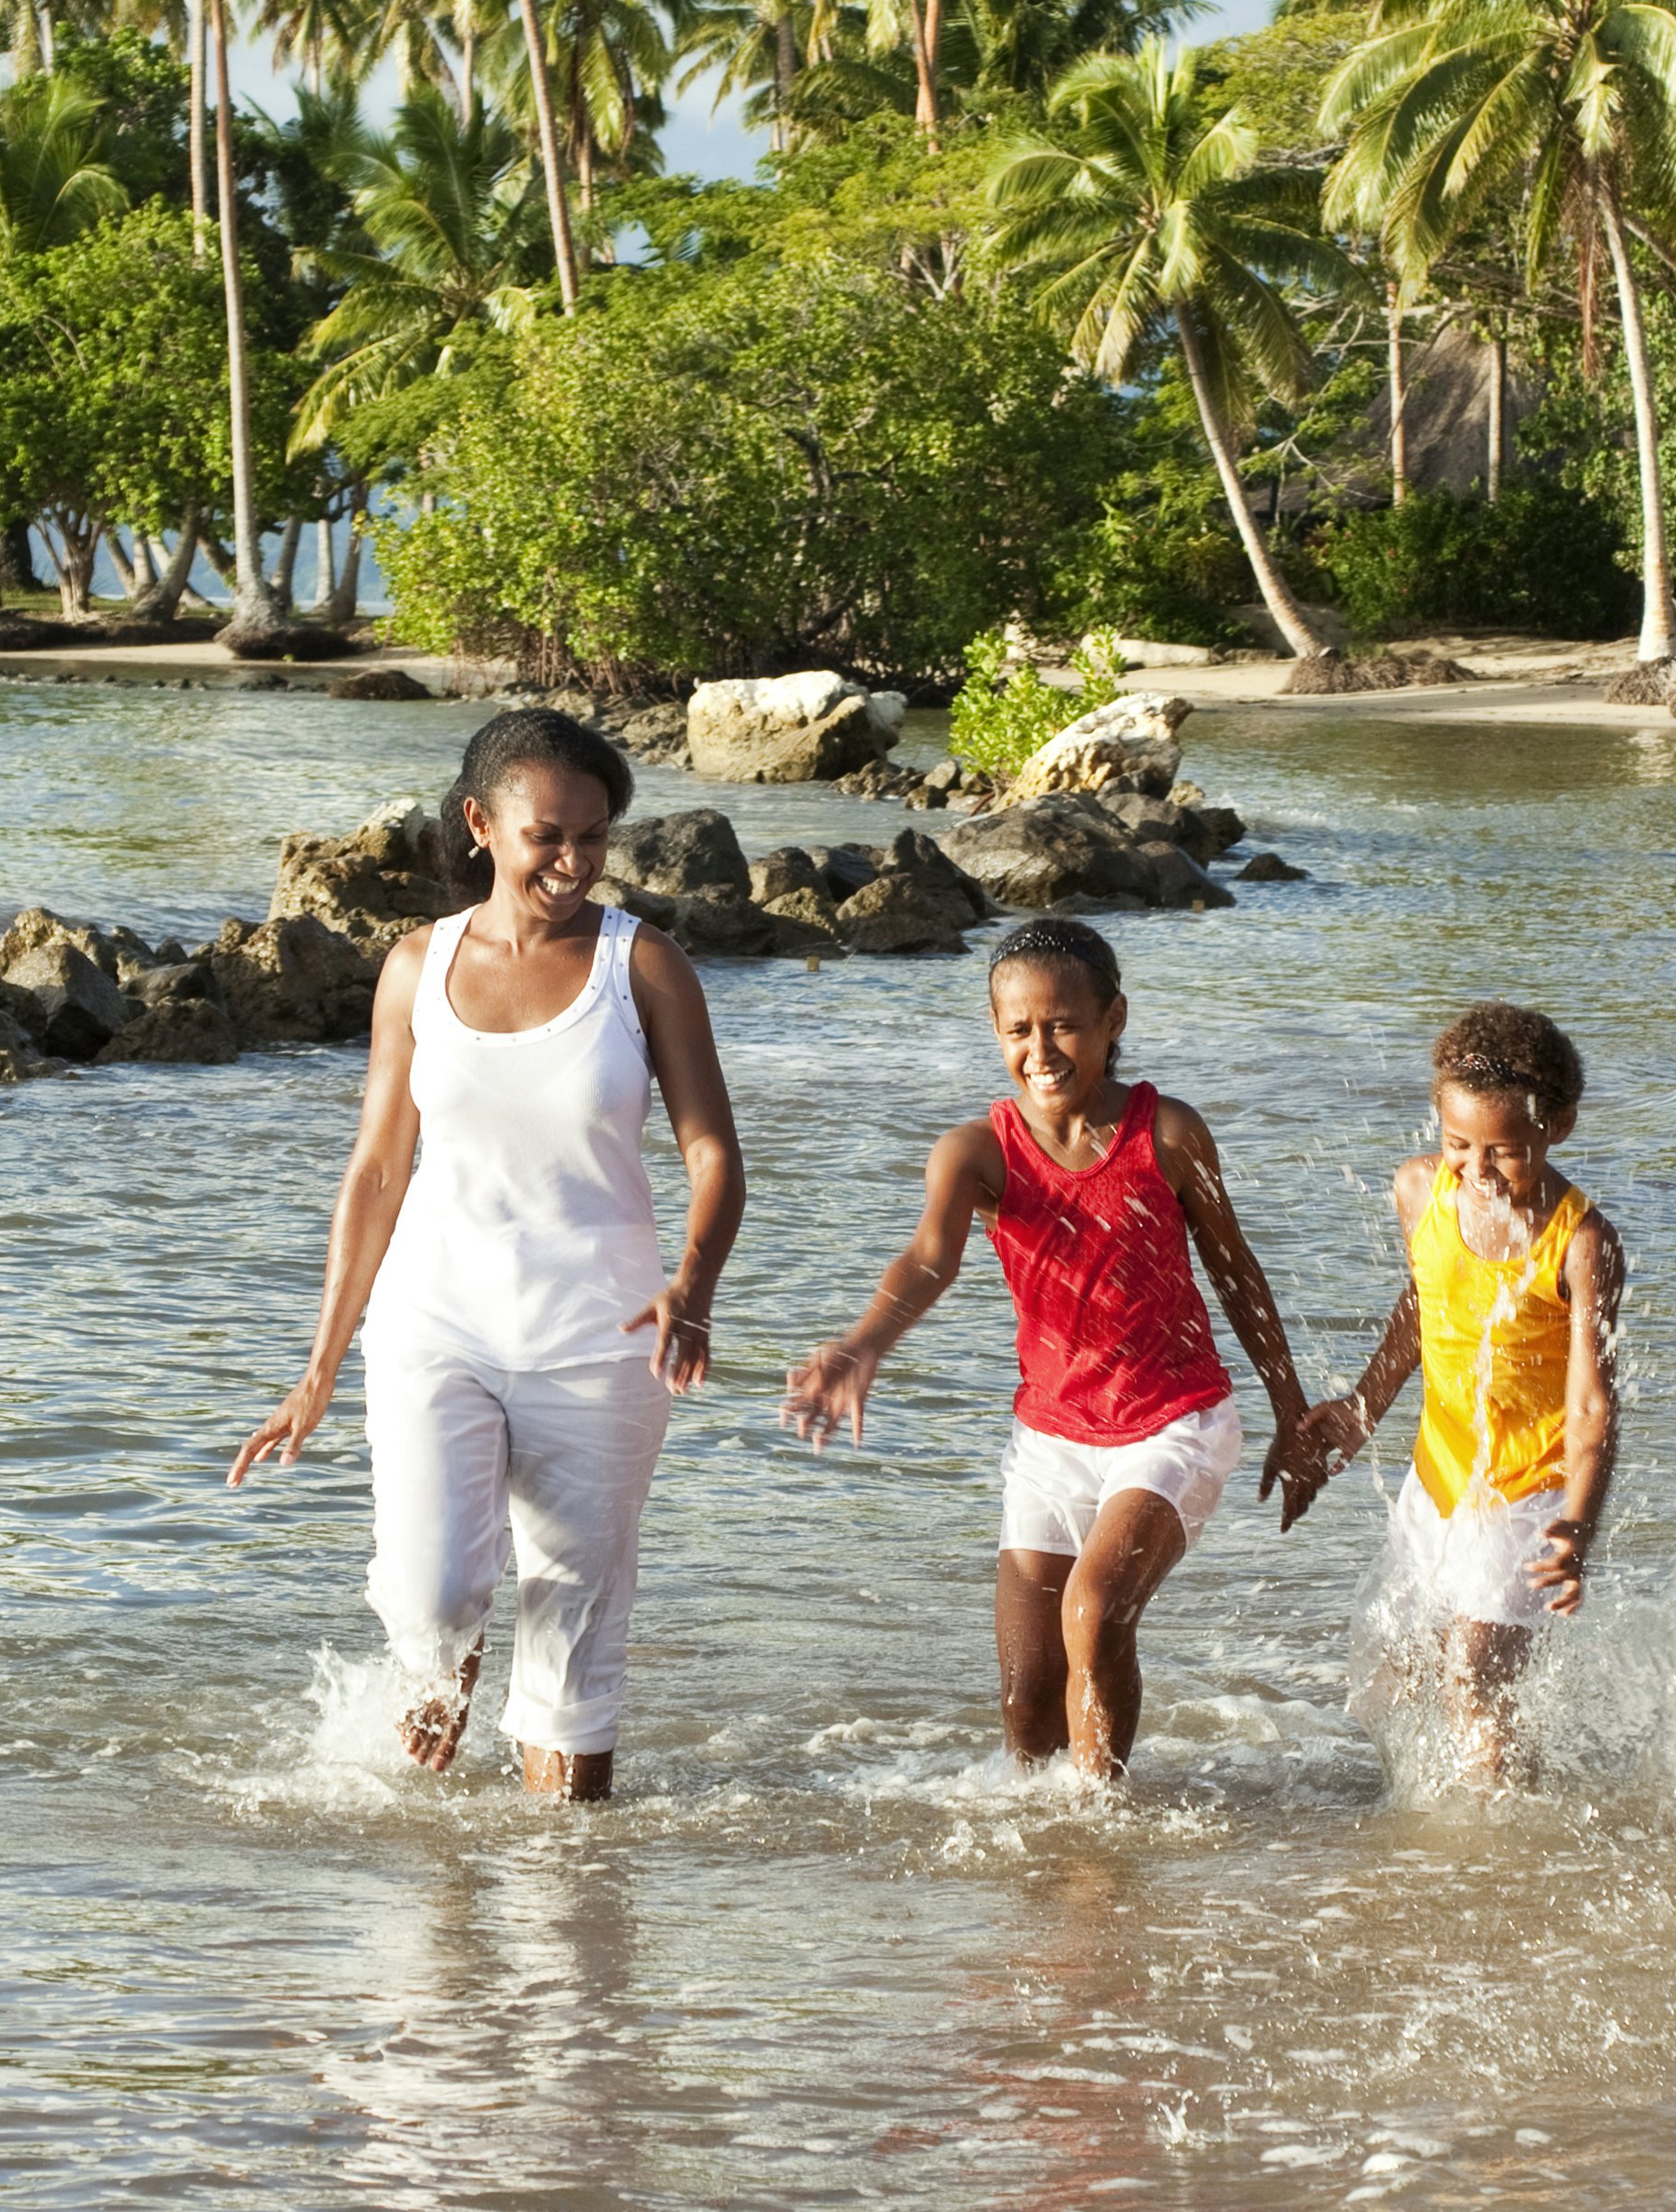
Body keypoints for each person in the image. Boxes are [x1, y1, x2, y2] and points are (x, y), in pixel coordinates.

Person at [230, 709, 745, 1803]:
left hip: (603, 1336)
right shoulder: (415, 966)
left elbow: (713, 1152)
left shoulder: (642, 967)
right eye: (547, 835)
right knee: (431, 1594)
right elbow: (376, 1171)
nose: (573, 861)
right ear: (480, 823)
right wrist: (317, 1369)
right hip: (436, 1323)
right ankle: (451, 1671)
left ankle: (567, 1890)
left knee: (575, 1629)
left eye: (595, 838)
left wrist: (692, 1289)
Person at [781, 917, 1321, 1782]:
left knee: (1096, 1612)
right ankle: (1043, 1870)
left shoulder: (1169, 1134)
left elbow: (1236, 1272)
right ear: (996, 1032)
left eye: (1064, 1024)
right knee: (1028, 1695)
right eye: (1019, 1029)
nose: (1042, 1048)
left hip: (1174, 1420)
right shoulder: (978, 1152)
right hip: (1052, 1438)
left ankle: (1100, 1838)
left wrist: (1291, 1412)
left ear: (1114, 1020)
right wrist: (861, 1343)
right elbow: (929, 1258)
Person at [1278, 1003, 1623, 1786]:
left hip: (1532, 1487)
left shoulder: (1581, 1242)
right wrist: (1365, 1407)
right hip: (1439, 1478)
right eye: (1457, 1144)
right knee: (1401, 1670)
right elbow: (1424, 1307)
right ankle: (1447, 1811)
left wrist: (1580, 1523)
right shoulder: (1419, 1190)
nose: (1477, 1170)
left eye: (1504, 1151)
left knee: (1476, 1677)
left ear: (1557, 1126)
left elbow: (1594, 1404)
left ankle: (1492, 1851)